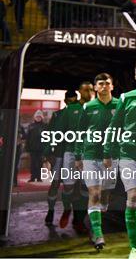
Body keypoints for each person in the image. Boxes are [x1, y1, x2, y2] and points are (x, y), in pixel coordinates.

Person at [104, 60, 136, 259]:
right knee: (133, 197)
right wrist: (108, 151)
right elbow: (114, 126)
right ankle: (133, 247)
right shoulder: (127, 98)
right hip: (128, 156)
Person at [74, 73, 119, 249]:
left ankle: (102, 207)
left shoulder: (120, 105)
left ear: (112, 87)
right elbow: (80, 132)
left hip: (112, 156)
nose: (104, 86)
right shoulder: (88, 107)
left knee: (106, 191)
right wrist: (78, 156)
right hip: (91, 154)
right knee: (95, 193)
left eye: (107, 83)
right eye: (100, 83)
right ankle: (98, 233)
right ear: (95, 87)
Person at [56, 82, 94, 231]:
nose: (89, 92)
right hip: (71, 152)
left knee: (87, 188)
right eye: (86, 89)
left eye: (91, 89)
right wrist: (50, 153)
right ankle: (67, 209)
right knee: (68, 186)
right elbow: (58, 132)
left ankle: (79, 220)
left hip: (91, 154)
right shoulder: (71, 109)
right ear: (79, 91)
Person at [43, 90, 78, 226]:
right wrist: (47, 153)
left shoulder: (81, 113)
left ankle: (67, 210)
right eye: (69, 101)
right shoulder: (57, 114)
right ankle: (51, 210)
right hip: (58, 154)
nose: (71, 104)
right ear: (65, 101)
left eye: (74, 102)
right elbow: (50, 133)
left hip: (73, 153)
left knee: (71, 186)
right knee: (55, 184)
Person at [26, 110, 46, 182]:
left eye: (39, 117)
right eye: (37, 116)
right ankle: (32, 177)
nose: (38, 118)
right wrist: (27, 148)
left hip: (41, 148)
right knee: (33, 163)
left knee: (40, 163)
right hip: (32, 148)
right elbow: (27, 138)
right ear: (35, 117)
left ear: (42, 117)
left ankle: (39, 177)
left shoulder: (45, 126)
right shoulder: (31, 126)